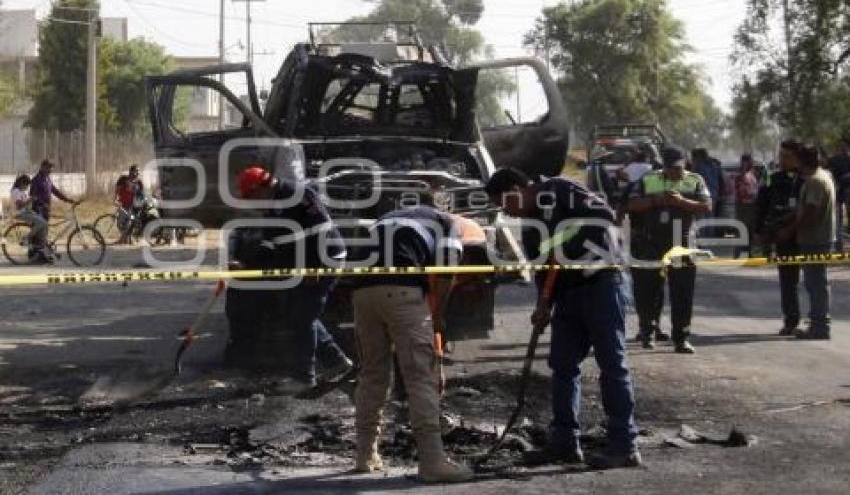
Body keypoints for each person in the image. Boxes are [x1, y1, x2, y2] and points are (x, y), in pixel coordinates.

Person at [485, 168, 640, 470]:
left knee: (612, 364)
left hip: (602, 282)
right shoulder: (529, 226)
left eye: (505, 203)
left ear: (518, 188)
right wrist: (543, 303)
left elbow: (606, 216)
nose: (506, 211)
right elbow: (543, 269)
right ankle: (565, 443)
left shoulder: (559, 190)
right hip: (567, 294)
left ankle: (624, 445)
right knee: (562, 365)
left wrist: (565, 242)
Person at [350, 205, 475, 483]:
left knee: (372, 374)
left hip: (361, 292)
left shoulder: (388, 218)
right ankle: (432, 462)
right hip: (401, 289)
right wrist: (438, 316)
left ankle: (365, 455)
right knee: (420, 376)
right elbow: (446, 272)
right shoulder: (448, 225)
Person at [235, 166, 353, 392]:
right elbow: (270, 244)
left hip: (325, 261)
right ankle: (337, 361)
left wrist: (315, 266)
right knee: (300, 315)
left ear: (263, 186)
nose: (252, 201)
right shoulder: (271, 207)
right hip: (302, 265)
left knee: (303, 317)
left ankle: (304, 377)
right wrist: (245, 263)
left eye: (252, 196)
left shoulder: (299, 194)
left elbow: (322, 229)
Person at [627, 147, 712, 353]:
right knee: (649, 289)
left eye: (679, 168)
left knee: (682, 291)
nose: (675, 172)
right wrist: (656, 200)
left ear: (685, 164)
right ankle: (648, 332)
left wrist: (681, 202)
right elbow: (632, 204)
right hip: (652, 243)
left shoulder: (694, 180)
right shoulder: (649, 179)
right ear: (663, 166)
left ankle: (681, 338)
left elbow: (706, 205)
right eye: (671, 168)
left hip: (681, 244)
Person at [778, 145, 835, 340]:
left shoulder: (815, 181)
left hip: (815, 239)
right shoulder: (821, 176)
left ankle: (819, 327)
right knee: (816, 282)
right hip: (817, 238)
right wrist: (788, 218)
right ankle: (818, 324)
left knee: (816, 283)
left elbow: (811, 210)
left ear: (801, 162)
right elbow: (805, 208)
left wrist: (790, 229)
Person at [755, 139, 804, 335]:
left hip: (806, 234)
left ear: (797, 158)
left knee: (813, 280)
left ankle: (818, 320)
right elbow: (762, 204)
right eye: (780, 155)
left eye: (787, 156)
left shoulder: (807, 178)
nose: (782, 160)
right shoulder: (772, 178)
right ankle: (791, 320)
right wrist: (758, 231)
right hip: (783, 234)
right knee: (788, 279)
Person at [29, 159, 77, 254]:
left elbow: (55, 191)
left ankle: (42, 254)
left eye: (51, 168)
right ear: (42, 167)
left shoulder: (47, 179)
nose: (50, 170)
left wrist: (67, 199)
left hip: (46, 209)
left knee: (44, 233)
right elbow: (32, 195)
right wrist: (40, 204)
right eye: (48, 167)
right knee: (39, 233)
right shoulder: (36, 180)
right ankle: (35, 254)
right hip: (38, 210)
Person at [9, 175, 49, 262]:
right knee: (42, 223)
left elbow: (26, 204)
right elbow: (19, 206)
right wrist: (30, 200)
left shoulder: (23, 192)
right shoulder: (15, 191)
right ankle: (26, 238)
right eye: (26, 185)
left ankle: (41, 250)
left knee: (43, 224)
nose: (27, 187)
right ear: (21, 183)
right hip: (19, 213)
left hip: (26, 212)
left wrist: (38, 204)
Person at [734, 154, 760, 258]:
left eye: (749, 161)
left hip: (752, 206)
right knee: (742, 231)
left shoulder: (753, 174)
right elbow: (741, 190)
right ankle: (739, 255)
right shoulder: (741, 175)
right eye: (746, 161)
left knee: (750, 232)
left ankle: (749, 255)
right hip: (743, 207)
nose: (749, 163)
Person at [827, 137, 850, 250]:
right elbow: (829, 172)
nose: (842, 148)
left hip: (847, 190)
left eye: (844, 145)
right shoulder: (833, 160)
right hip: (837, 190)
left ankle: (840, 244)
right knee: (837, 219)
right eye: (840, 146)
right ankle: (838, 245)